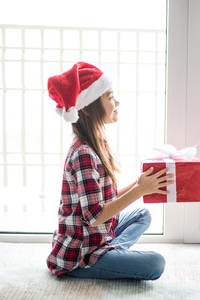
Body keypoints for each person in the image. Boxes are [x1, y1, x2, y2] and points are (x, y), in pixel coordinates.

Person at [45, 62, 174, 280]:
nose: (117, 102)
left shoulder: (97, 144)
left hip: (98, 238)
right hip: (81, 254)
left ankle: (111, 253)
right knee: (155, 264)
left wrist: (139, 183)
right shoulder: (83, 153)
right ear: (87, 106)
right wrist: (139, 191)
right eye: (110, 97)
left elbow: (106, 201)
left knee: (142, 214)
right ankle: (98, 262)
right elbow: (95, 216)